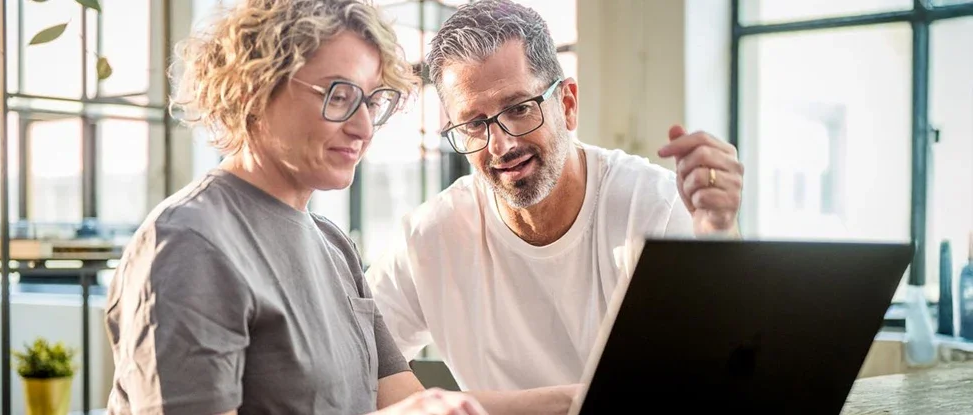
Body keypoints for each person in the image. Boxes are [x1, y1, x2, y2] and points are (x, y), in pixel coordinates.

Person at [103, 1, 487, 414]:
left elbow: (408, 402)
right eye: (339, 96)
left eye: (373, 103)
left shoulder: (333, 245)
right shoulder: (189, 244)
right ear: (254, 89)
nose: (362, 128)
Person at [365, 0, 746, 413]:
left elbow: (726, 377)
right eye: (475, 124)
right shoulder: (429, 237)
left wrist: (719, 232)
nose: (502, 145)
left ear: (566, 104)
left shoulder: (651, 207)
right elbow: (350, 373)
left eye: (518, 108)